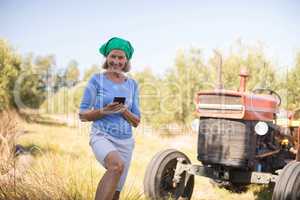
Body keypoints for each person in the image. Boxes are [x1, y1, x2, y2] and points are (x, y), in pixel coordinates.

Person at [79, 37, 141, 200]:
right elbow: (82, 115)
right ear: (107, 57)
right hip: (102, 136)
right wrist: (104, 111)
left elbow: (136, 121)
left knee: (116, 193)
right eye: (113, 56)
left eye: (121, 57)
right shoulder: (96, 80)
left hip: (126, 142)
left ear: (126, 60)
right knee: (116, 166)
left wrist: (124, 111)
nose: (116, 61)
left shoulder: (132, 84)